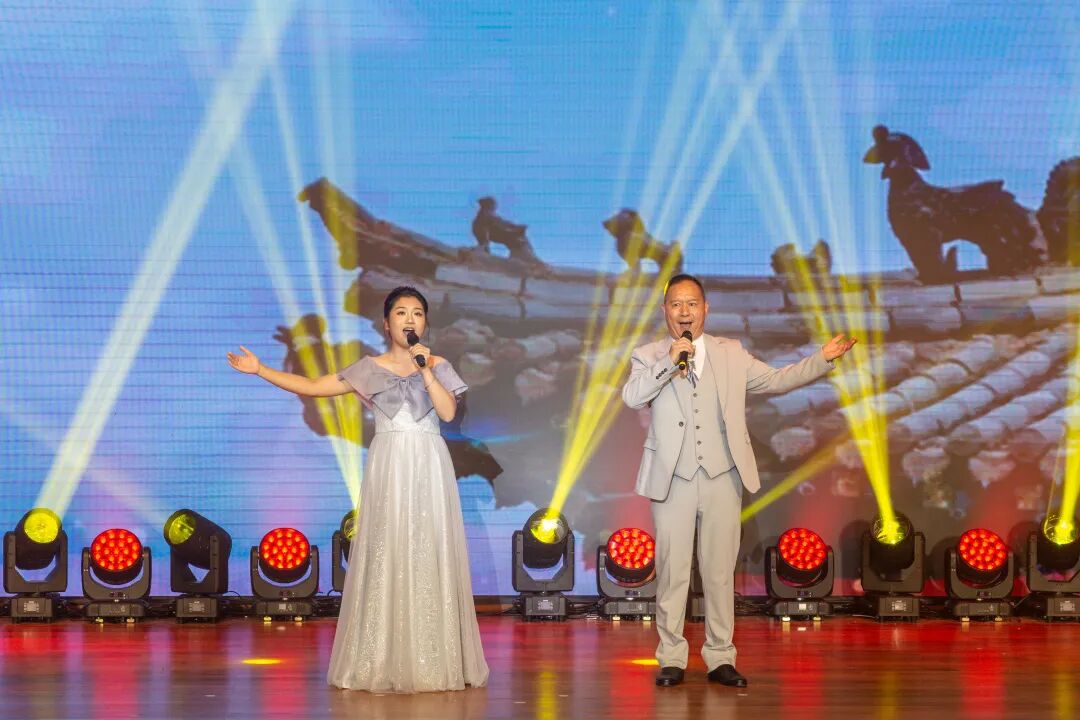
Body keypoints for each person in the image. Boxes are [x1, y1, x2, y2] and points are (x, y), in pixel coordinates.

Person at [227, 286, 489, 693]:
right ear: (386, 323)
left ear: (425, 323)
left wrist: (425, 370)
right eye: (401, 312)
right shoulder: (369, 368)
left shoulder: (437, 363)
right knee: (389, 550)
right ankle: (383, 658)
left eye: (417, 313)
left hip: (429, 462)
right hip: (390, 463)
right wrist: (261, 370)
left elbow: (448, 411)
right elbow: (313, 386)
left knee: (429, 547)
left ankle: (434, 660)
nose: (409, 319)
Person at [621, 273, 855, 688]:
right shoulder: (649, 355)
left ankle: (720, 657)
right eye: (676, 304)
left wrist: (821, 358)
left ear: (706, 309)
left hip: (721, 473)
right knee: (673, 572)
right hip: (671, 478)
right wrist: (670, 361)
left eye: (692, 303)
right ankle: (671, 657)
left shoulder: (731, 352)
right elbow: (632, 397)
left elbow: (776, 380)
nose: (685, 312)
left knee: (718, 572)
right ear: (665, 311)